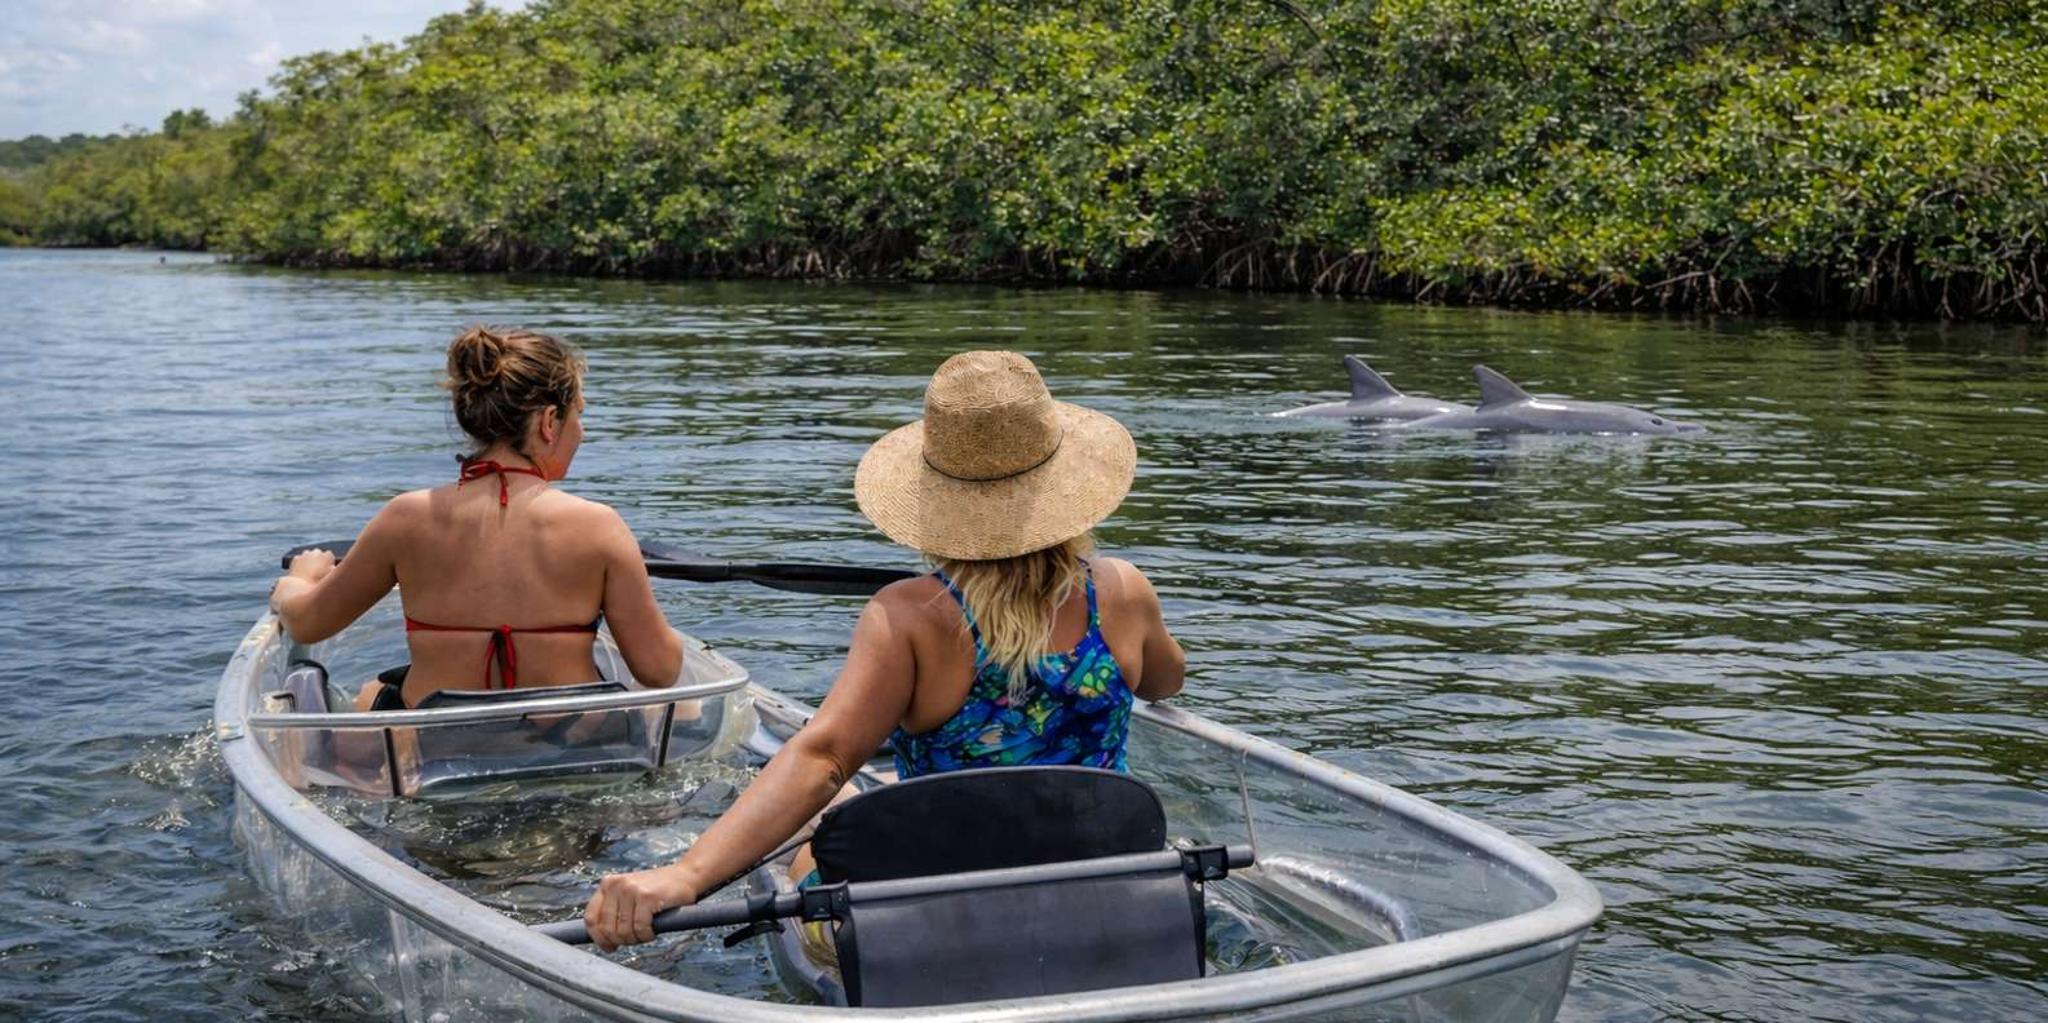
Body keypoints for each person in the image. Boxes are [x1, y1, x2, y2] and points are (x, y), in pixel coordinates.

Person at [582, 349, 1185, 950]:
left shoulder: (910, 616)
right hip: (1100, 887)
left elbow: (824, 758)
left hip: (940, 910)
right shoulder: (1123, 592)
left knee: (830, 811)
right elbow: (1164, 681)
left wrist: (686, 875)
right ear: (1066, 488)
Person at [268, 326, 683, 707]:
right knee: (687, 707)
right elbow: (659, 670)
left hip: (434, 750)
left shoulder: (406, 517)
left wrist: (297, 582)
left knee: (370, 695)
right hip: (572, 746)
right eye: (580, 413)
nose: (584, 432)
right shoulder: (599, 525)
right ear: (549, 421)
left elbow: (307, 624)